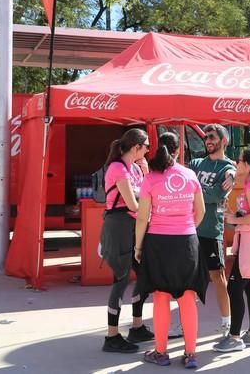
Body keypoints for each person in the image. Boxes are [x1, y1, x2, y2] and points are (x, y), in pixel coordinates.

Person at [135, 132, 207, 369]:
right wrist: (186, 229)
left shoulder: (150, 178)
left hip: (158, 242)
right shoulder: (190, 175)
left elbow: (143, 217)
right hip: (187, 242)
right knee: (188, 298)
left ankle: (161, 352)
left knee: (161, 297)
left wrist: (138, 246)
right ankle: (190, 354)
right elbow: (201, 211)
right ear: (178, 151)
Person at [99, 128, 153, 353]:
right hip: (119, 225)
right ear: (136, 147)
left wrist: (147, 172)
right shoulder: (117, 168)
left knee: (144, 276)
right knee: (121, 279)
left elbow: (147, 194)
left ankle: (137, 326)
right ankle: (112, 336)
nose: (150, 150)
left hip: (134, 226)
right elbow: (133, 204)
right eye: (147, 145)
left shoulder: (137, 169)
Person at [213, 149, 250, 352]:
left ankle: (235, 337)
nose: (236, 164)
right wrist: (236, 215)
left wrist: (234, 219)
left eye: (238, 162)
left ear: (247, 165)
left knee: (235, 288)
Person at [189, 124, 236, 336]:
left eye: (212, 137)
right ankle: (185, 322)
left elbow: (217, 196)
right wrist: (203, 191)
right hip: (189, 230)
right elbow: (187, 188)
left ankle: (227, 323)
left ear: (223, 141)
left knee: (218, 276)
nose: (207, 140)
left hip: (211, 230)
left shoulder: (228, 168)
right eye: (206, 137)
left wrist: (196, 190)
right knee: (187, 278)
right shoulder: (196, 163)